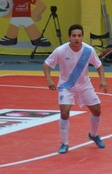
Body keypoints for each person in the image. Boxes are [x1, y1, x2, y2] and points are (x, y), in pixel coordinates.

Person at [43, 24, 108, 154]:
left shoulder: (88, 50)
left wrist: (102, 79)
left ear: (82, 36)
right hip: (66, 86)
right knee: (65, 111)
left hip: (84, 85)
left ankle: (93, 135)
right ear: (69, 37)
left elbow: (99, 65)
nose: (76, 38)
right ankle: (64, 143)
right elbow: (46, 64)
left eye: (79, 36)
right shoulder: (60, 50)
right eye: (74, 36)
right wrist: (49, 79)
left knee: (97, 110)